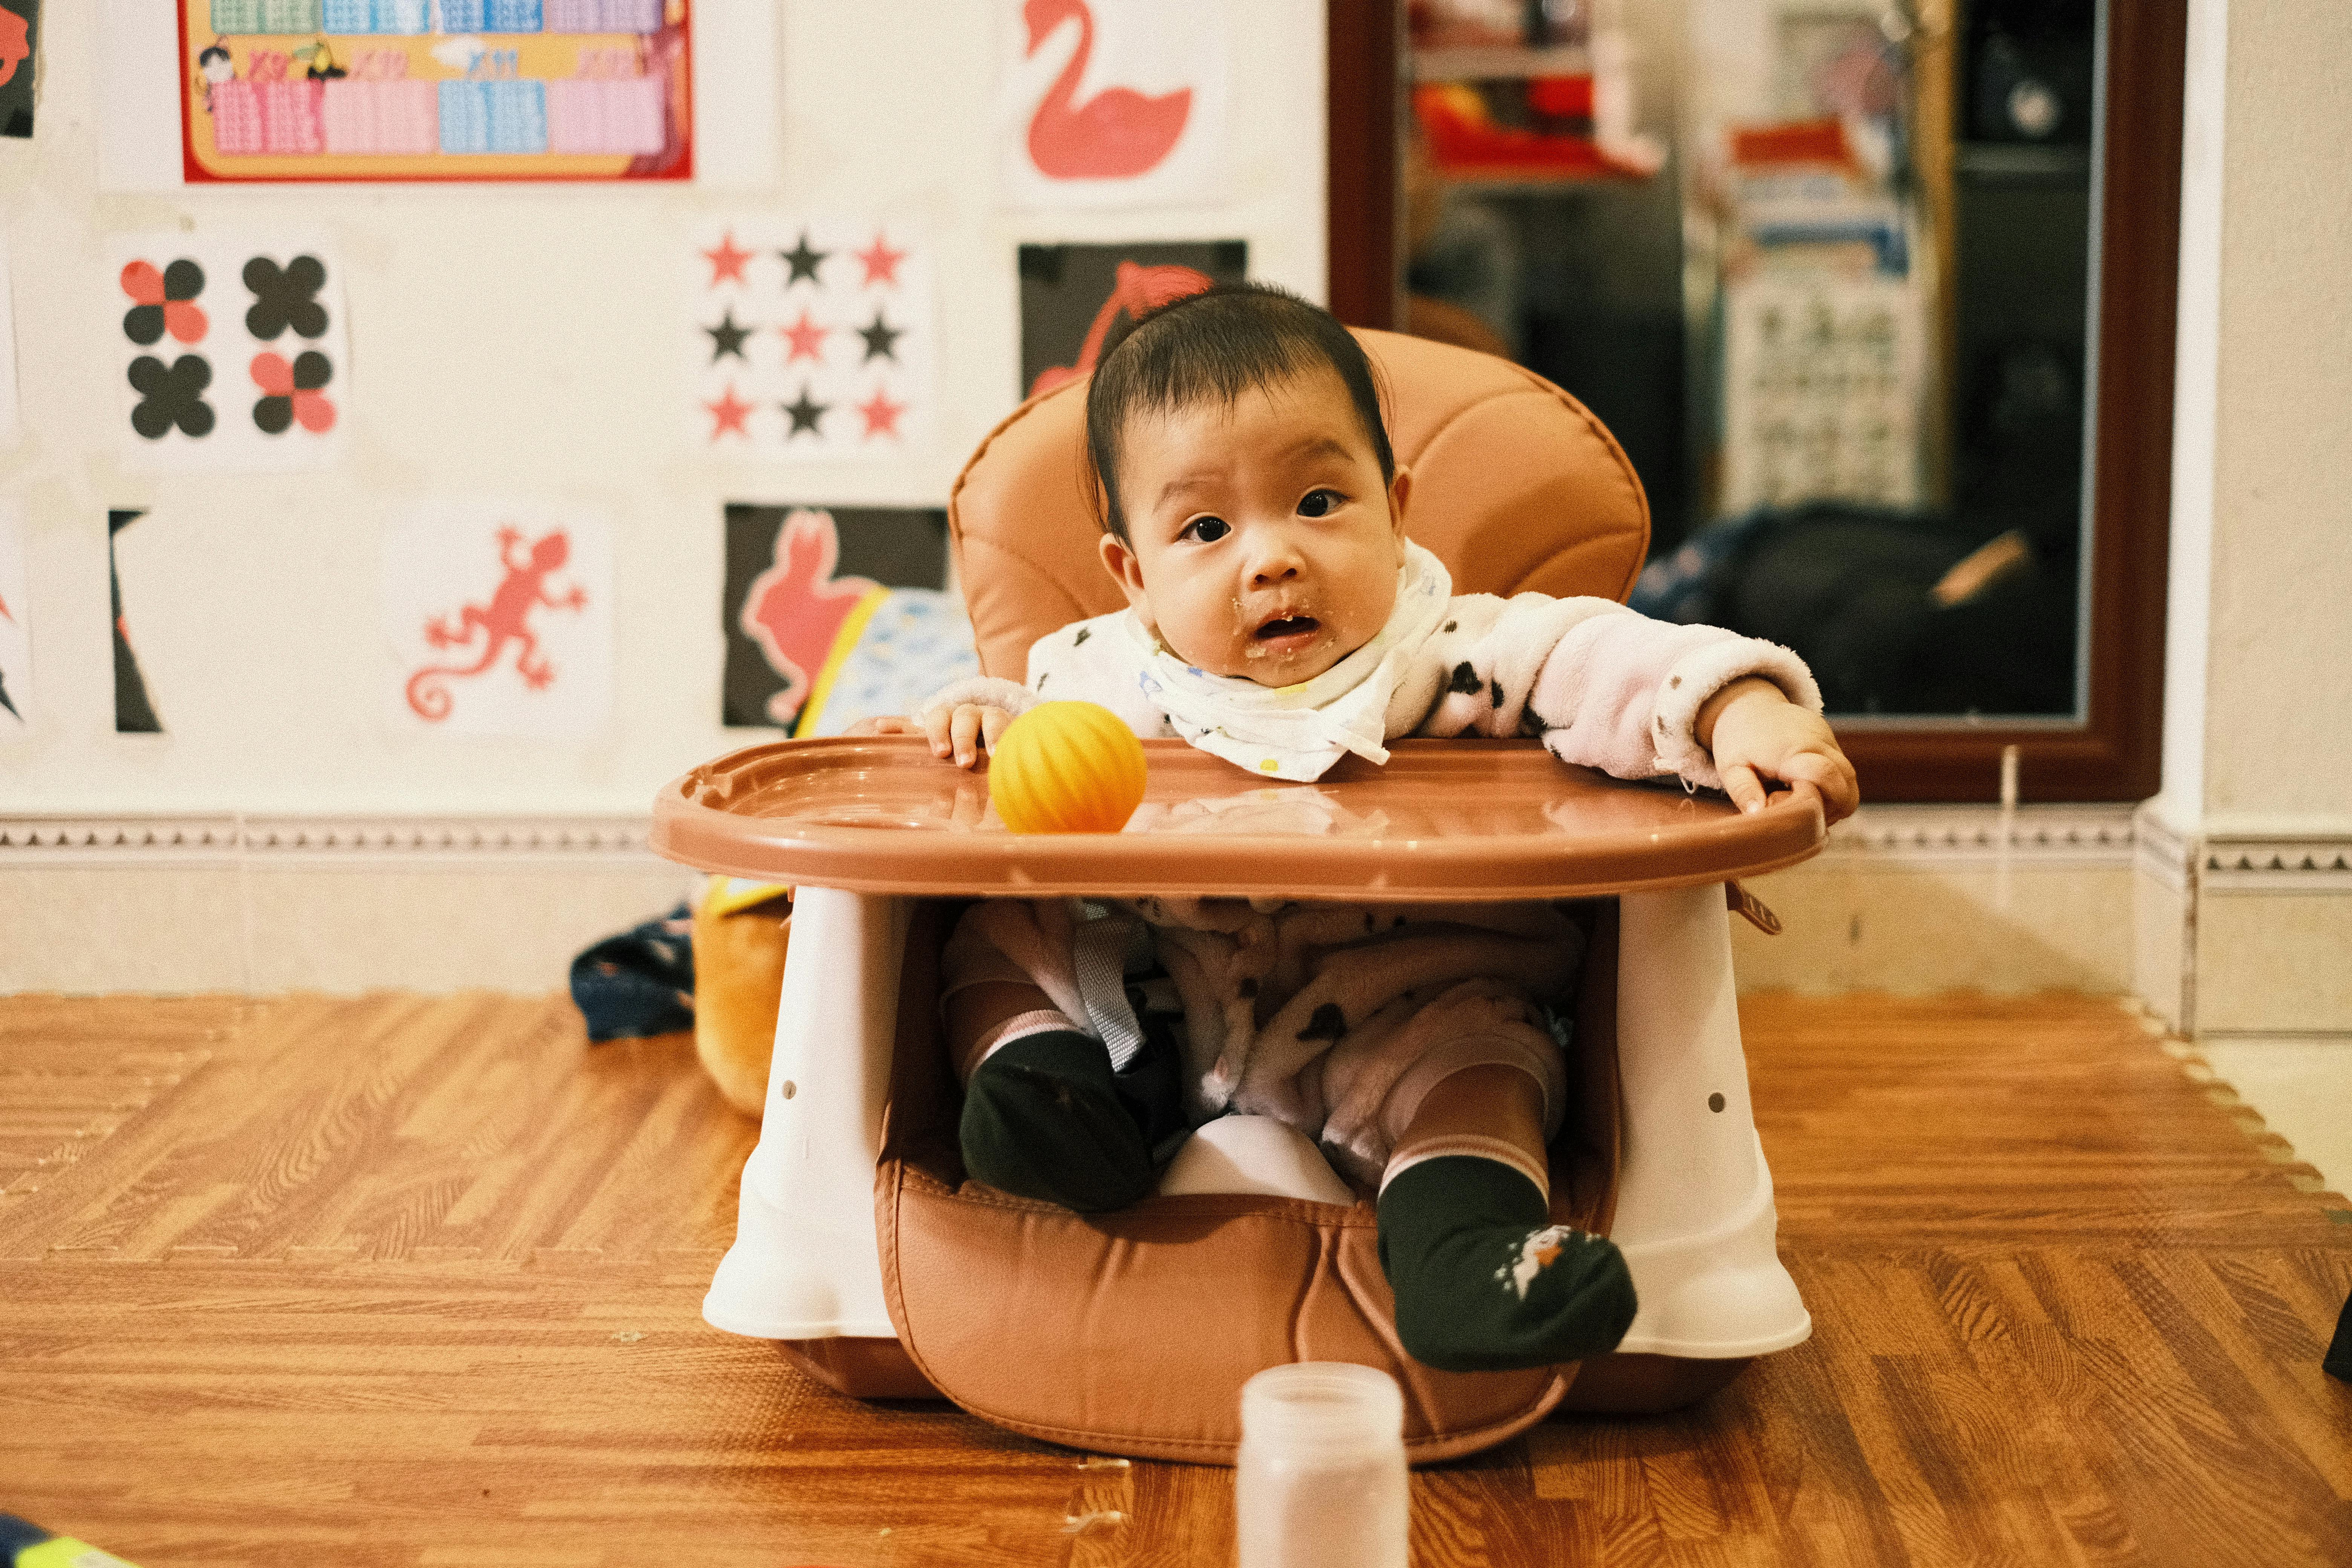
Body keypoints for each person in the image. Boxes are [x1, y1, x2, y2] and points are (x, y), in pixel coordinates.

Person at [862, 283, 1857, 1374]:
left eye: (1321, 504)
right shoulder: (1104, 678)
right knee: (1005, 947)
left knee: (1489, 1064)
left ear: (1397, 508)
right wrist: (978, 721)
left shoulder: (1457, 652)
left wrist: (1735, 709)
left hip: (1405, 1003)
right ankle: (1049, 1097)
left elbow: (1604, 658)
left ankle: (1468, 1258)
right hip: (1163, 1005)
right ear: (1135, 577)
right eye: (1206, 528)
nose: (1272, 558)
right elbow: (1027, 746)